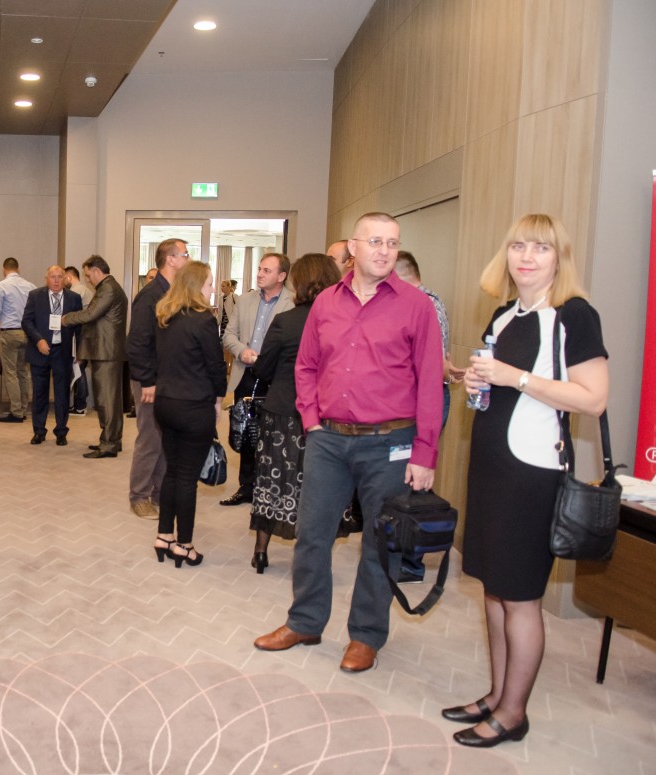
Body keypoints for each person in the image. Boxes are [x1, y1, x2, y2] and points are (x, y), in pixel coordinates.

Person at [253, 212, 443, 674]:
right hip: (329, 440)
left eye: (392, 243)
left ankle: (365, 635)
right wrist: (310, 418)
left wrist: (425, 452)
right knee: (311, 535)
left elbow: (430, 382)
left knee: (380, 543)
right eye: (375, 241)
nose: (384, 250)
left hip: (390, 443)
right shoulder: (326, 303)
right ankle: (305, 622)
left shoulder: (416, 305)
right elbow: (306, 366)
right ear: (353, 248)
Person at [444, 214, 608, 748]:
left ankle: (513, 714)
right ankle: (497, 695)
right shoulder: (505, 314)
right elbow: (497, 391)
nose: (527, 257)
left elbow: (593, 398)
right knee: (494, 590)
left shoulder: (574, 314)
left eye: (541, 248)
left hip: (532, 472)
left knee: (519, 596)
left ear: (559, 258)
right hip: (491, 464)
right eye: (518, 246)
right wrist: (476, 382)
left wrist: (513, 377)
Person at [247, 254, 341, 572]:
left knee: (272, 480)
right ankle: (315, 554)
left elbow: (263, 368)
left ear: (298, 282)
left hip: (283, 412)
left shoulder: (286, 321)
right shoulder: (340, 321)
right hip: (327, 416)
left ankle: (261, 551)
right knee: (320, 484)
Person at [393, 250, 465, 582]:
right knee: (404, 478)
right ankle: (398, 549)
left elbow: (432, 366)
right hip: (414, 399)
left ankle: (411, 560)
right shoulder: (418, 302)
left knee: (415, 479)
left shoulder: (426, 305)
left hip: (425, 401)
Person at [150, 261, 225, 568]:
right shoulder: (203, 320)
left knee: (172, 470)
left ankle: (164, 536)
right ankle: (184, 544)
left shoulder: (165, 315)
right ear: (196, 286)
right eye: (209, 283)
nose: (212, 289)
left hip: (165, 404)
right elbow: (216, 366)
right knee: (187, 478)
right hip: (194, 406)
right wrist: (219, 400)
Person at [220, 253, 294, 505]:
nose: (260, 274)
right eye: (260, 269)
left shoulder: (292, 303)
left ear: (281, 276)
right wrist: (242, 351)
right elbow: (229, 334)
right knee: (246, 433)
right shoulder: (245, 300)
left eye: (266, 270)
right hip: (246, 374)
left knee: (273, 434)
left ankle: (269, 489)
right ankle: (247, 487)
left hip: (275, 379)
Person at [126, 238, 189, 518]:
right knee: (150, 439)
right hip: (149, 380)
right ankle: (139, 496)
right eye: (185, 254)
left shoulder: (175, 292)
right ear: (170, 259)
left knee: (166, 438)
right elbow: (137, 343)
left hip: (168, 379)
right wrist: (147, 381)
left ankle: (160, 493)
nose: (188, 259)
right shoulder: (150, 295)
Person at [61, 255, 128, 458]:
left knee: (106, 399)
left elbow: (90, 314)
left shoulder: (108, 289)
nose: (88, 280)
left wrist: (66, 318)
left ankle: (108, 444)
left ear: (97, 271)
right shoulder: (109, 287)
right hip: (107, 351)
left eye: (89, 275)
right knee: (111, 399)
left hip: (106, 351)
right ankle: (112, 439)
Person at [21, 266, 81, 445]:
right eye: (52, 277)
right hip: (40, 350)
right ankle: (39, 431)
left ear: (65, 279)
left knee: (62, 393)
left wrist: (81, 351)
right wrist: (38, 340)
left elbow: (80, 327)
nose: (56, 280)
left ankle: (61, 431)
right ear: (46, 278)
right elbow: (26, 321)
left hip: (62, 351)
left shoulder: (74, 298)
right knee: (39, 393)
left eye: (59, 277)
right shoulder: (35, 296)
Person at [0, 257, 36, 423]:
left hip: (9, 332)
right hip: (27, 333)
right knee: (22, 372)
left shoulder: (1, 286)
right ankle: (23, 409)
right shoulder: (30, 286)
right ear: (18, 268)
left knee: (10, 373)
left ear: (4, 269)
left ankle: (16, 411)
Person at [62, 266, 92, 414]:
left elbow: (71, 316)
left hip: (81, 335)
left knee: (78, 370)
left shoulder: (76, 291)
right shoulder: (85, 290)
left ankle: (80, 405)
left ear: (69, 277)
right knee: (79, 369)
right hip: (85, 335)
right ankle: (78, 404)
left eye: (63, 278)